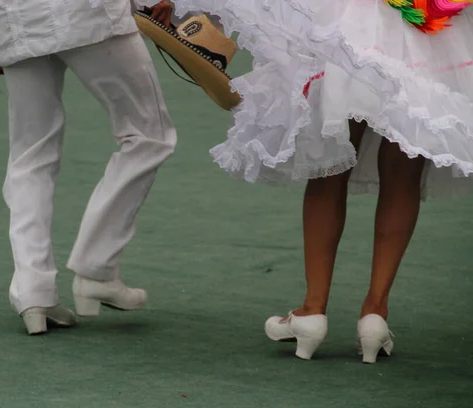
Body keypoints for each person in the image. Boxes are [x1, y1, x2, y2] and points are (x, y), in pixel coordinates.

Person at [171, 0, 473, 362]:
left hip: (356, 21)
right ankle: (375, 314)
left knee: (331, 167)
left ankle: (312, 311)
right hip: (430, 29)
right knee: (403, 171)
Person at [0, 0, 177, 335]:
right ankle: (96, 267)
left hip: (17, 23)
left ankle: (33, 291)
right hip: (89, 15)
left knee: (30, 154)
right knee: (149, 136)